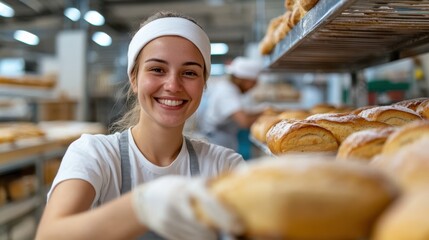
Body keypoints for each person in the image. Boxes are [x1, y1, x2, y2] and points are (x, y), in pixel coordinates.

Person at [35, 11, 245, 240]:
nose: (173, 85)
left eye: (189, 73)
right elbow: (49, 235)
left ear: (203, 84)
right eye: (157, 69)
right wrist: (143, 207)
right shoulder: (95, 155)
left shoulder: (224, 166)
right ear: (134, 78)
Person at [198, 56, 263, 152]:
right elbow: (244, 121)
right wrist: (265, 114)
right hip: (218, 140)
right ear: (244, 80)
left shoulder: (228, 88)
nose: (253, 87)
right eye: (253, 83)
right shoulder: (227, 92)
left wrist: (262, 111)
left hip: (223, 137)